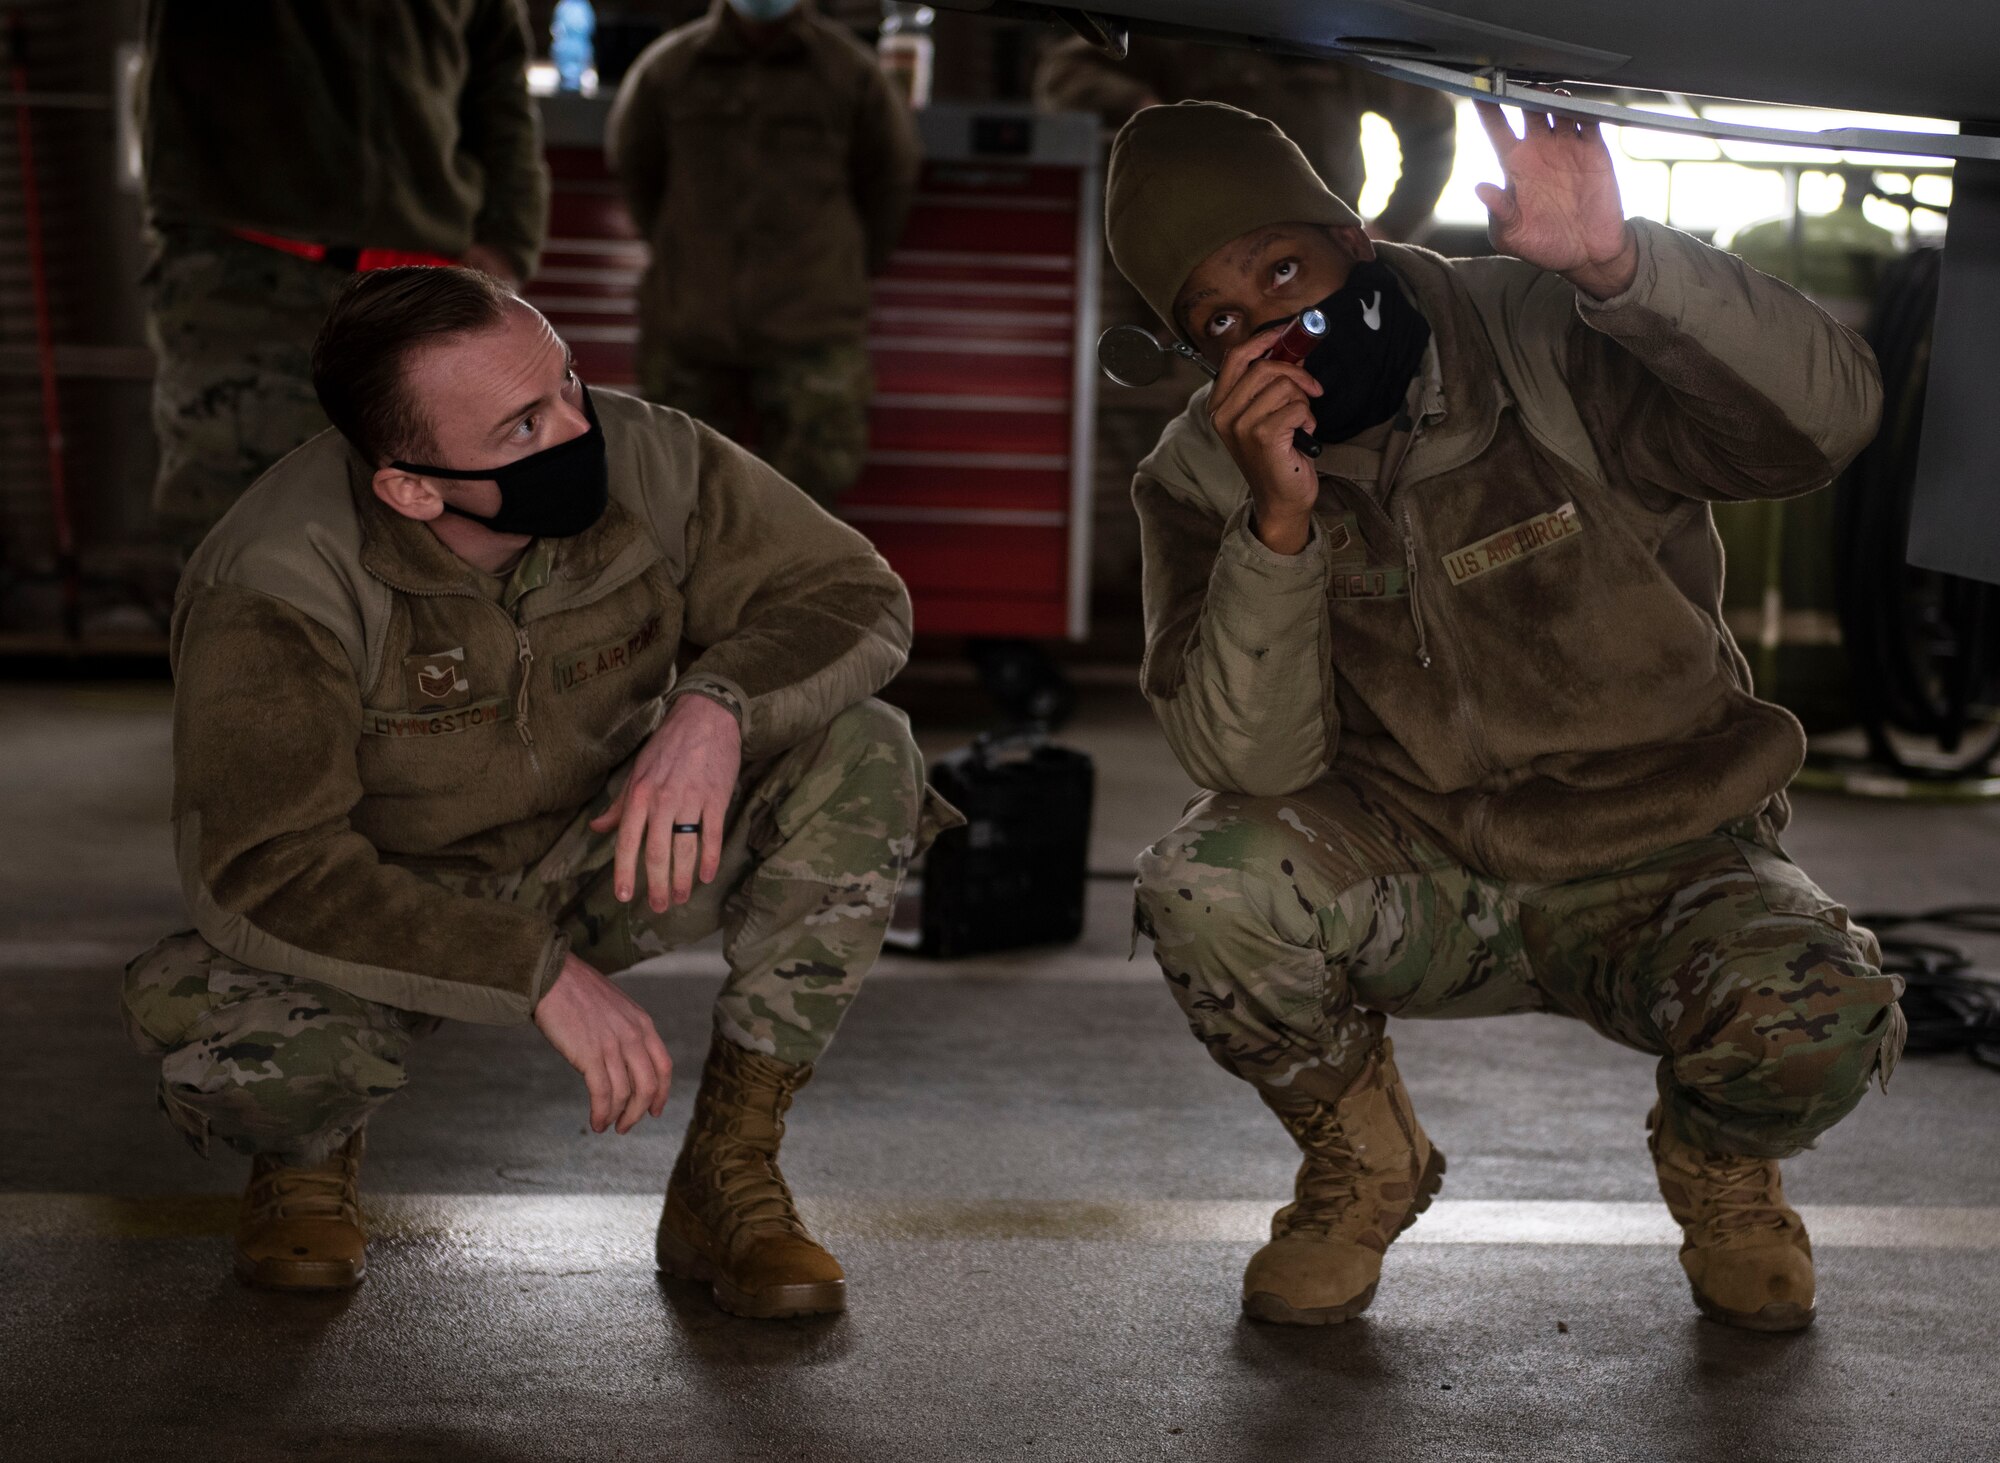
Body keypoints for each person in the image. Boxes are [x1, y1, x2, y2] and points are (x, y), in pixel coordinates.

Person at [1112, 101, 1905, 1332]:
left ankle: (1717, 1164)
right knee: (1202, 884)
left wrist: (1615, 262)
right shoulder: (1198, 471)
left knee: (1817, 1009)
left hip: (1666, 847)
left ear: (1352, 237)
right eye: (1223, 321)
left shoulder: (1540, 329)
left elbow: (1826, 424)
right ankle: (1361, 1161)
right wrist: (1276, 525)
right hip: (1424, 866)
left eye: (1285, 270)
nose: (1275, 327)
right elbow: (1247, 761)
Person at [121, 267, 953, 1316]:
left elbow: (852, 589)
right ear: (412, 486)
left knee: (866, 746)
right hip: (395, 898)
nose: (577, 429)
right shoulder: (278, 578)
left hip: (606, 841)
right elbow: (267, 865)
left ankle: (727, 1170)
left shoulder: (656, 457)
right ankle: (305, 1156)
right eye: (523, 426)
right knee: (254, 1056)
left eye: (567, 381)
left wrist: (714, 708)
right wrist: (536, 972)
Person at [138, 0, 550, 548]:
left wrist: (506, 243)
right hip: (250, 275)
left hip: (424, 287)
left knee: (431, 552)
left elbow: (498, 84)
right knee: (242, 544)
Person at [605, 0, 919, 509]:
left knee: (807, 516)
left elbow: (890, 179)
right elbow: (636, 167)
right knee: (675, 505)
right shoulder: (670, 67)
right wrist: (689, 251)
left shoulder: (850, 71)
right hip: (692, 328)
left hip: (812, 330)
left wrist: (840, 270)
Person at [1035, 36, 1456, 244]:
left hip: (1323, 242)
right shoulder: (1186, 29)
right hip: (1204, 241)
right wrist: (1141, 107)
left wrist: (1390, 228)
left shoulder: (1341, 31)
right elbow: (1062, 74)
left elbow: (1432, 125)